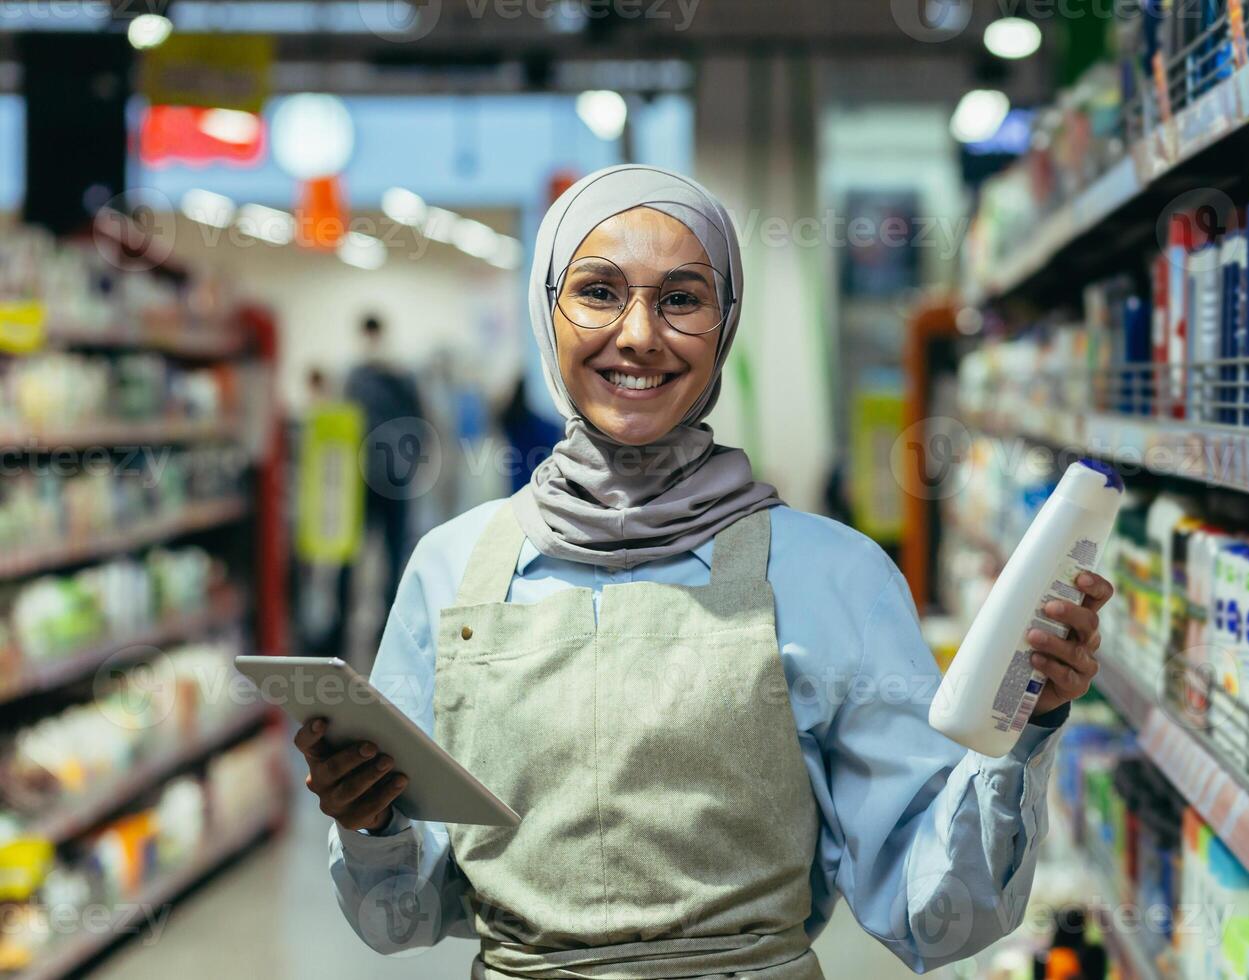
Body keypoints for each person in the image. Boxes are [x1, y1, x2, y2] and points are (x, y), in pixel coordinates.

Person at [296, 166, 1113, 979]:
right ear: (548, 314)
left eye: (681, 298)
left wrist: (1019, 731)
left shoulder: (831, 576)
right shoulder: (452, 569)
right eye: (598, 292)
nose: (640, 334)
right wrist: (372, 828)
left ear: (725, 324)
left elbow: (933, 911)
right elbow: (401, 917)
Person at [326, 315, 426, 658]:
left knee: (391, 554)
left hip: (388, 478)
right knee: (356, 555)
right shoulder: (357, 377)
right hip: (367, 479)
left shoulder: (396, 376)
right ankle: (344, 625)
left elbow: (419, 425)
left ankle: (386, 627)